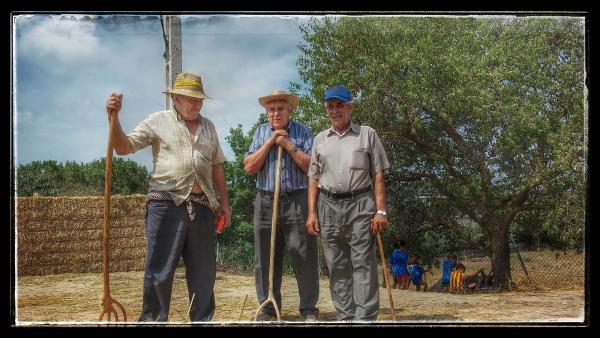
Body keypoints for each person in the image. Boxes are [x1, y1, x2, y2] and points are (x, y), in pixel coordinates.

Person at [104, 72, 232, 322]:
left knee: (204, 275)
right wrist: (113, 117)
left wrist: (225, 204)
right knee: (159, 272)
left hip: (203, 207)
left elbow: (217, 166)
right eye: (191, 98)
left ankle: (202, 321)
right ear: (175, 97)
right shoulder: (158, 121)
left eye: (200, 99)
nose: (197, 103)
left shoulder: (209, 127)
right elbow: (123, 147)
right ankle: (152, 321)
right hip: (165, 205)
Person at [305, 85, 391, 321]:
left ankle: (364, 318)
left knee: (363, 262)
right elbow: (313, 177)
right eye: (330, 106)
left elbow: (378, 174)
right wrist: (311, 213)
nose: (335, 110)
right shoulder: (319, 139)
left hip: (361, 203)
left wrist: (380, 210)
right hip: (328, 205)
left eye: (339, 105)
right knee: (337, 265)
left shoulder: (367, 134)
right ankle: (346, 316)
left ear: (350, 107)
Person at [243, 90, 319, 321]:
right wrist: (270, 142)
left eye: (280, 108)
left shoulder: (303, 131)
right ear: (267, 112)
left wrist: (286, 143)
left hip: (297, 199)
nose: (275, 113)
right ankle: (268, 307)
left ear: (290, 110)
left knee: (303, 255)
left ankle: (308, 309)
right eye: (271, 109)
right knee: (264, 257)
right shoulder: (260, 132)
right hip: (265, 200)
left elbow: (311, 167)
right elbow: (249, 166)